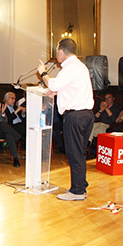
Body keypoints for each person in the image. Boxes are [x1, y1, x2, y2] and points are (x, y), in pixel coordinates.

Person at [37, 38, 94, 201]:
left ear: (61, 51)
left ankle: (77, 191)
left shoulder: (70, 68)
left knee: (74, 153)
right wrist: (58, 93)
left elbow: (53, 84)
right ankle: (80, 187)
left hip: (75, 117)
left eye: (57, 52)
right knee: (79, 153)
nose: (56, 55)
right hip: (86, 114)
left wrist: (43, 72)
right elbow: (73, 89)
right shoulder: (80, 67)